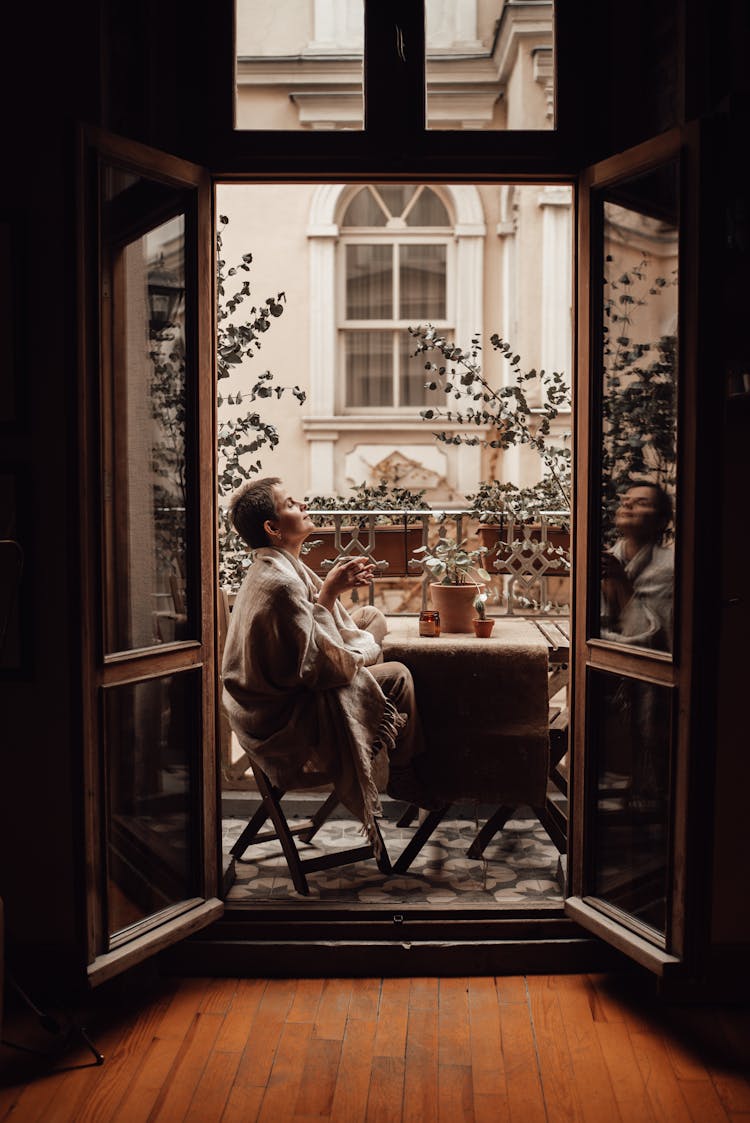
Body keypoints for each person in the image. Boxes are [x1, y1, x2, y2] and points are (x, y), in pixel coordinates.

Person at [221, 477, 438, 852]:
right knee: (400, 677)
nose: (302, 505)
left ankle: (368, 681)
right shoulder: (280, 584)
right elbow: (316, 668)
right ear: (272, 528)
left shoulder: (276, 567)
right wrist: (330, 596)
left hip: (279, 692)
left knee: (370, 617)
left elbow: (309, 635)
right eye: (291, 503)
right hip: (283, 717)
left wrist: (330, 597)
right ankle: (403, 771)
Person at [600, 481, 674, 653]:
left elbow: (653, 643)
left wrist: (621, 582)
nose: (627, 504)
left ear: (661, 522)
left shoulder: (669, 568)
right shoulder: (607, 561)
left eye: (642, 503)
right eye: (625, 500)